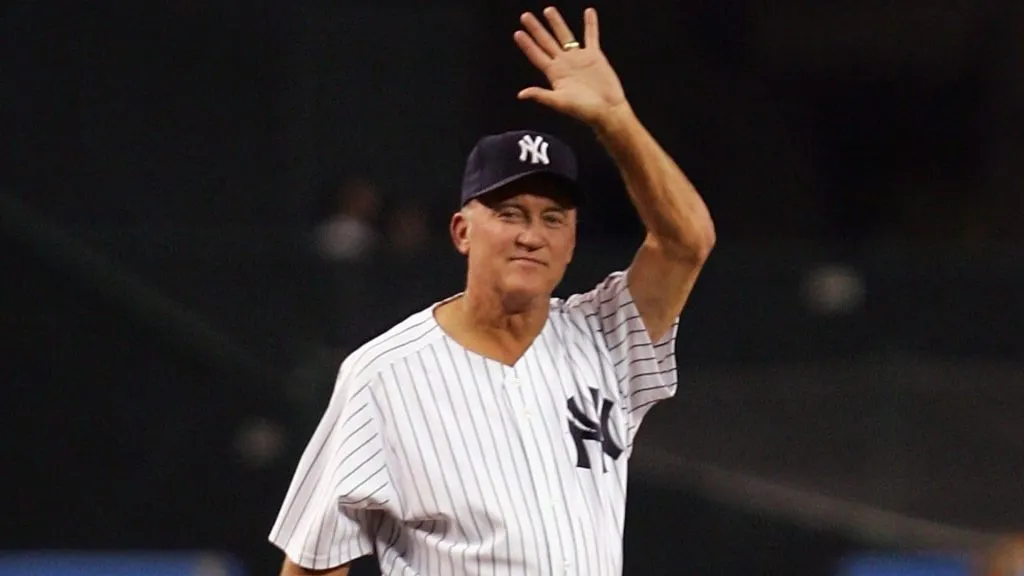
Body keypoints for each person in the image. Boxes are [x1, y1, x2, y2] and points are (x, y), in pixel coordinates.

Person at [269, 6, 715, 576]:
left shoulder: (606, 337)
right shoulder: (384, 373)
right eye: (510, 212)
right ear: (462, 232)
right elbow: (312, 564)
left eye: (554, 218)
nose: (532, 235)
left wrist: (616, 119)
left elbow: (686, 243)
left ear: (572, 242)